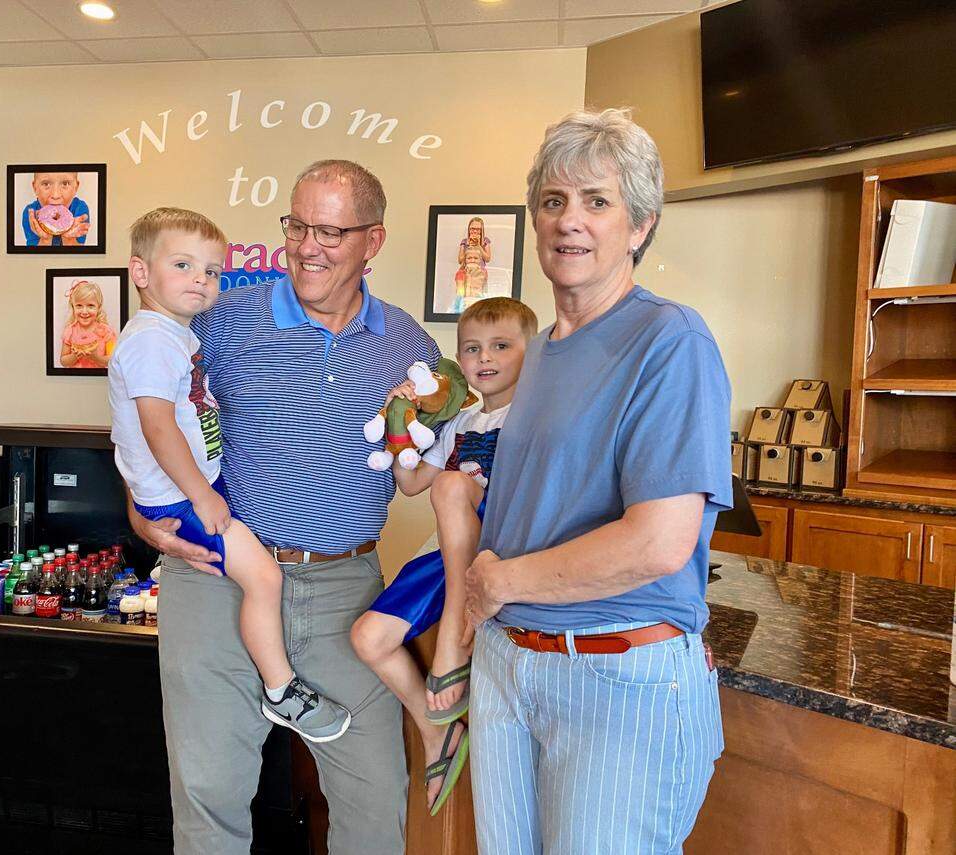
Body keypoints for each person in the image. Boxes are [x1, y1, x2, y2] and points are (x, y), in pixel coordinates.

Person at [124, 161, 440, 855]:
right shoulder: (221, 320)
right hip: (217, 581)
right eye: (297, 226)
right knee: (208, 800)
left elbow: (432, 459)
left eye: (329, 231)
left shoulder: (409, 345)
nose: (306, 247)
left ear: (373, 240)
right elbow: (146, 415)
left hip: (345, 591)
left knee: (375, 799)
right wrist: (141, 510)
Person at [462, 108, 732, 854]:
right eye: (553, 201)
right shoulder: (540, 352)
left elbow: (659, 542)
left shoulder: (670, 339)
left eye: (596, 200)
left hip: (614, 674)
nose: (569, 220)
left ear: (640, 225)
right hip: (509, 662)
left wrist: (497, 580)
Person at [108, 206, 351, 744]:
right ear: (140, 272)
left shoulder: (173, 334)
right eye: (183, 265)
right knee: (264, 579)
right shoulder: (151, 341)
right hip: (180, 497)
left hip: (189, 487)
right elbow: (155, 427)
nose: (200, 279)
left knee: (254, 573)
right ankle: (281, 689)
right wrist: (201, 496)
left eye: (212, 271)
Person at [351, 296, 537, 816]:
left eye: (501, 346)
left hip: (501, 551)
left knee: (454, 486)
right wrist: (400, 424)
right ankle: (438, 733)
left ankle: (456, 636)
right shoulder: (460, 420)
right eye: (471, 348)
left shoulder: (539, 415)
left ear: (533, 352)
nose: (485, 357)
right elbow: (412, 483)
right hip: (448, 556)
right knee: (368, 638)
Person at [21, 171, 90, 247]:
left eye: (65, 183)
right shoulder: (31, 214)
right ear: (35, 188)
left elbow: (80, 252)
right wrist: (45, 240)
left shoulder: (80, 210)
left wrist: (69, 240)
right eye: (46, 184)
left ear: (75, 188)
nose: (55, 195)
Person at [60, 279, 116, 369]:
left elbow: (112, 360)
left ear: (98, 307)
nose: (84, 311)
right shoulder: (69, 331)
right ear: (73, 307)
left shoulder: (107, 331)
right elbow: (63, 361)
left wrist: (96, 358)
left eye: (90, 306)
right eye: (79, 306)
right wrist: (74, 356)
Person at [452, 245, 489, 314]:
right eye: (469, 258)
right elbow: (460, 293)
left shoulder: (484, 272)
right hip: (466, 304)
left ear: (480, 260)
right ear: (465, 260)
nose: (472, 260)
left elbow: (485, 290)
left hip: (480, 304)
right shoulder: (461, 273)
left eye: (476, 258)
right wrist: (457, 309)